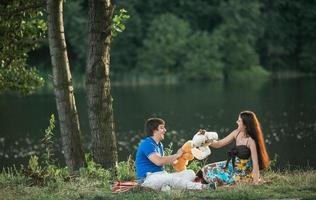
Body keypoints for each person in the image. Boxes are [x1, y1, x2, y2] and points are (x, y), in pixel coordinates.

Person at [135, 117, 216, 190]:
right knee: (171, 179)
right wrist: (177, 155)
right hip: (148, 179)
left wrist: (182, 155)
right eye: (162, 128)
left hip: (162, 175)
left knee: (190, 173)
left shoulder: (159, 145)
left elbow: (168, 161)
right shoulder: (147, 143)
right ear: (154, 130)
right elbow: (159, 161)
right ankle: (203, 187)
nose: (165, 130)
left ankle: (166, 188)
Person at [197, 111, 270, 186]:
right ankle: (207, 182)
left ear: (245, 124)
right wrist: (205, 138)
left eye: (239, 121)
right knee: (206, 169)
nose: (236, 122)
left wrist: (256, 182)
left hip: (243, 171)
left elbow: (255, 164)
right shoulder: (236, 133)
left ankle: (216, 184)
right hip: (232, 165)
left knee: (216, 179)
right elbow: (218, 144)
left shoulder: (251, 141)